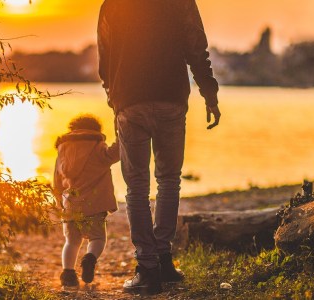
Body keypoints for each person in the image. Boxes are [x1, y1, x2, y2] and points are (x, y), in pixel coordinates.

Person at [97, 0, 222, 295]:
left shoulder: (112, 5)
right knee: (168, 180)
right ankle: (163, 258)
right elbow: (196, 48)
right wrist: (210, 95)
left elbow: (105, 55)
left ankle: (148, 268)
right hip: (170, 99)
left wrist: (113, 95)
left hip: (130, 101)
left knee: (137, 188)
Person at [53, 114, 120, 289]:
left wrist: (59, 203)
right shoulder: (98, 147)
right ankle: (90, 259)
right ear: (96, 131)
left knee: (72, 242)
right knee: (97, 238)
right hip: (94, 205)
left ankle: (68, 274)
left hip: (70, 205)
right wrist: (121, 133)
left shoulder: (62, 150)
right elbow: (116, 153)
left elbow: (56, 182)